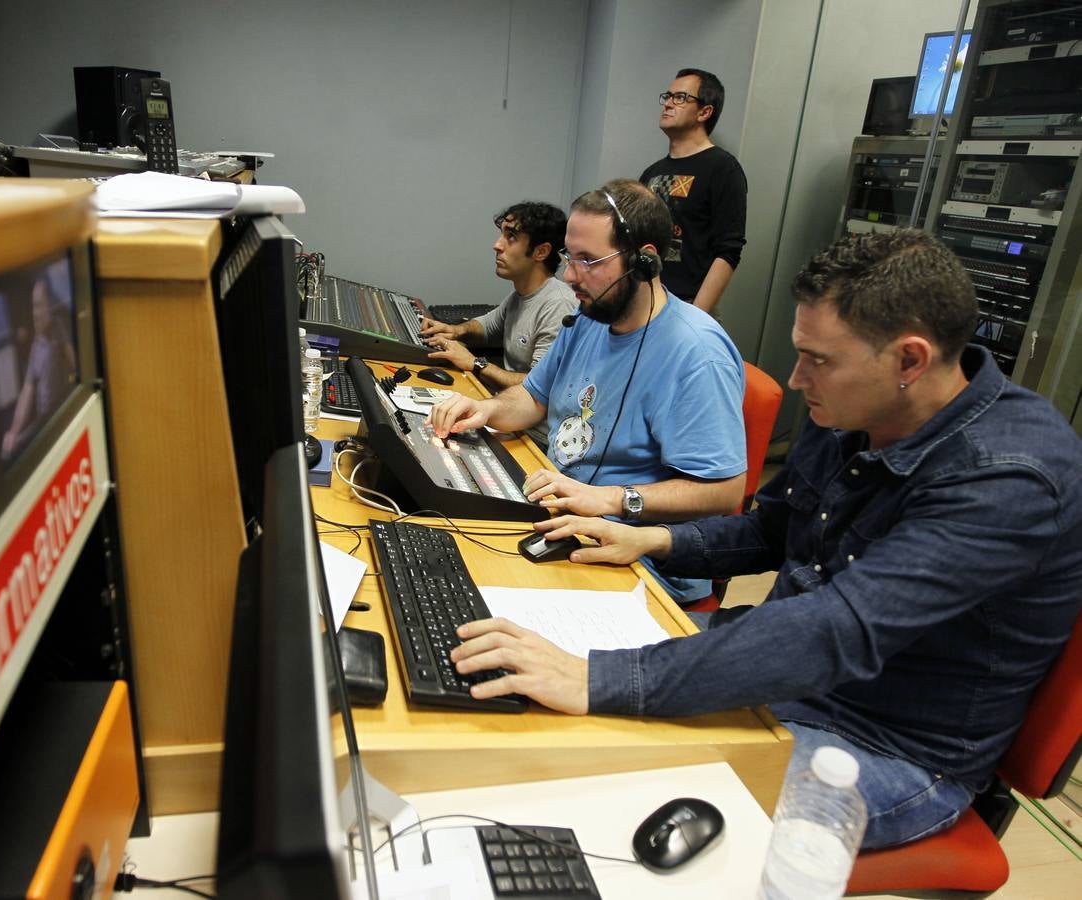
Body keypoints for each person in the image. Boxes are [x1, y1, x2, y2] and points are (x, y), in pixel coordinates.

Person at [449, 229, 1082, 850]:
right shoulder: (858, 412)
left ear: (910, 360)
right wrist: (647, 541)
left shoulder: (1007, 477)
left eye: (821, 360)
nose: (798, 379)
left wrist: (597, 680)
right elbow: (768, 530)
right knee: (521, 683)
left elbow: (835, 631)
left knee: (590, 783)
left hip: (883, 744)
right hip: (788, 676)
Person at [430, 179, 746, 602]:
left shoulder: (697, 354)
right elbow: (533, 398)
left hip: (633, 553)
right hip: (560, 510)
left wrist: (611, 499)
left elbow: (724, 492)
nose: (571, 276)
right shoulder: (589, 316)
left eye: (589, 260)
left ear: (645, 261)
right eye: (569, 256)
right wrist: (484, 409)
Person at [417, 202, 576, 447]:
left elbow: (538, 386)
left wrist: (476, 363)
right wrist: (455, 331)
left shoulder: (558, 305)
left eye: (510, 236)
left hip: (535, 438)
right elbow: (487, 326)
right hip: (510, 417)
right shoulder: (520, 295)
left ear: (541, 252)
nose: (497, 245)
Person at [640, 68, 747, 314]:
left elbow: (729, 250)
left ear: (704, 111)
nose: (667, 104)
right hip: (642, 303)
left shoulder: (722, 168)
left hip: (684, 307)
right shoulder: (652, 173)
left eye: (680, 98)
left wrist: (695, 315)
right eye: (667, 96)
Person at [2, 277, 77, 457]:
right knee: (9, 451)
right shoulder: (36, 346)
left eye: (39, 306)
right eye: (34, 307)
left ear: (49, 307)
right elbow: (27, 392)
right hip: (43, 422)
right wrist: (13, 431)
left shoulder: (58, 329)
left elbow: (76, 365)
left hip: (61, 414)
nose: (36, 313)